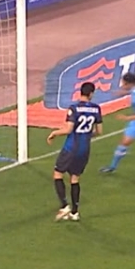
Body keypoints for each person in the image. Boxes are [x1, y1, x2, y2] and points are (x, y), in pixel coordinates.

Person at [48, 82, 103, 221]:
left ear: (81, 92)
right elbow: (99, 132)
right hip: (84, 149)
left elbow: (69, 129)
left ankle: (64, 206)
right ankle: (75, 212)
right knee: (75, 178)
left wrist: (54, 133)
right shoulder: (96, 109)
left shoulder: (74, 108)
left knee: (58, 173)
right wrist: (86, 135)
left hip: (71, 148)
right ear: (91, 94)